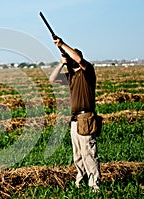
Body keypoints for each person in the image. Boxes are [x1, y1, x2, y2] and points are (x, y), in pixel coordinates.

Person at [49, 37, 101, 191]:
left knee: (89, 153)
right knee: (77, 154)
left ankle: (94, 186)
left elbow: (78, 58)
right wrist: (61, 63)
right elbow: (51, 79)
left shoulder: (87, 71)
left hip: (86, 118)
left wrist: (62, 44)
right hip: (74, 120)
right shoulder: (70, 76)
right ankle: (80, 183)